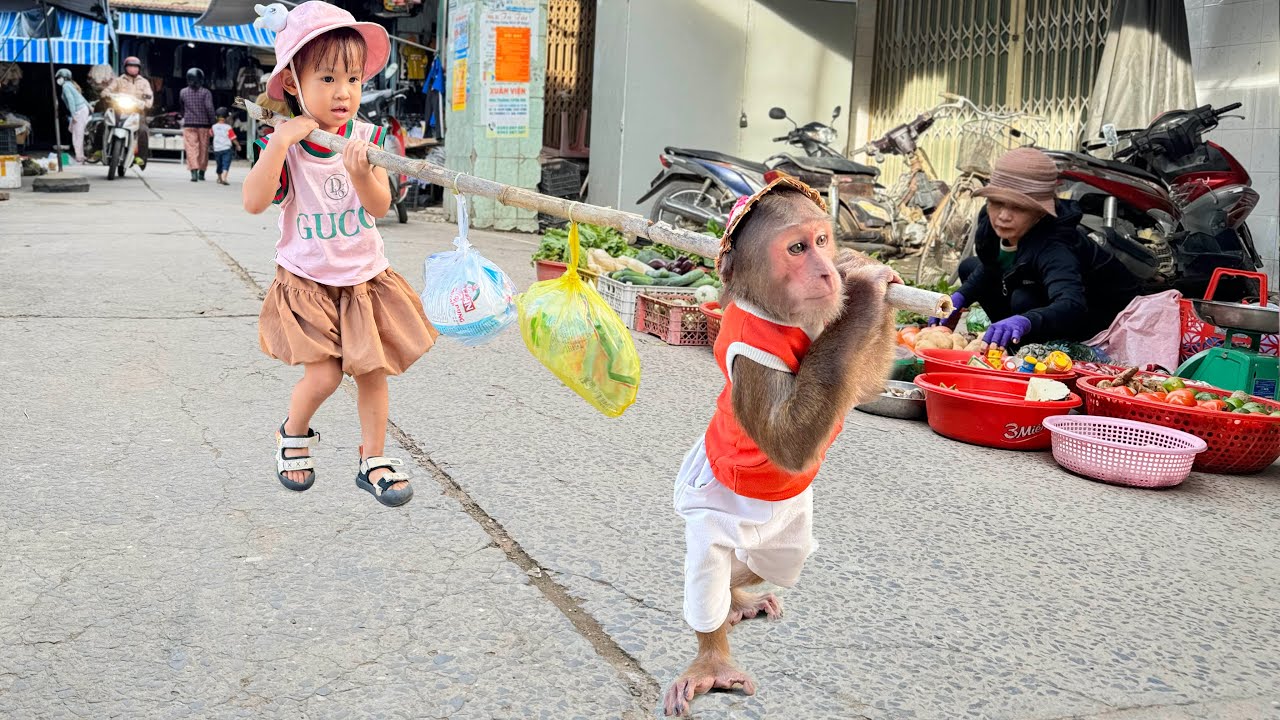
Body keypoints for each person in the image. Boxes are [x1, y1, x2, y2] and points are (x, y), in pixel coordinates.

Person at [242, 0, 437, 507]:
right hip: (308, 279)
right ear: (293, 84)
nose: (343, 92)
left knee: (373, 372)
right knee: (325, 373)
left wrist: (359, 173)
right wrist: (280, 144)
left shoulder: (365, 140)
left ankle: (373, 457)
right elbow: (254, 202)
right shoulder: (287, 142)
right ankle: (293, 433)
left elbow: (380, 205)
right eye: (327, 78)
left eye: (353, 79)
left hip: (363, 278)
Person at [932, 147, 1140, 351]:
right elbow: (991, 266)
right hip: (1038, 282)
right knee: (970, 267)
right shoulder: (992, 223)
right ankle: (1007, 337)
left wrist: (1026, 320)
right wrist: (959, 297)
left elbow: (1071, 304)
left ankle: (1028, 344)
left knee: (1023, 299)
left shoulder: (1056, 245)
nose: (1003, 216)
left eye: (1018, 207)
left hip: (1097, 313)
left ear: (1040, 211)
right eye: (997, 202)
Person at [104, 57, 153, 169]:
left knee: (143, 130)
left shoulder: (144, 82)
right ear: (125, 67)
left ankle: (140, 157)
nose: (133, 68)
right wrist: (106, 94)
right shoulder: (119, 80)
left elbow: (149, 96)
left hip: (136, 111)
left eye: (135, 66)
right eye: (130, 66)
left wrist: (146, 102)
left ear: (139, 69)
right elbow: (108, 89)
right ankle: (97, 149)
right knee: (103, 123)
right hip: (119, 110)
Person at [180, 68, 216, 182]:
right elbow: (209, 108)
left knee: (191, 148)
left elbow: (181, 107)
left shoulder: (183, 92)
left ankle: (193, 172)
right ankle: (201, 172)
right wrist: (213, 122)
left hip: (189, 124)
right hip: (204, 125)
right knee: (203, 149)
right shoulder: (206, 92)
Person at [55, 69, 90, 164]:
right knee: (73, 130)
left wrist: (73, 114)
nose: (58, 80)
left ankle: (79, 156)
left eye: (59, 78)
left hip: (79, 111)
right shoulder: (71, 85)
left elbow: (71, 101)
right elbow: (80, 97)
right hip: (82, 109)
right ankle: (81, 154)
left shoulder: (66, 86)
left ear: (64, 78)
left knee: (77, 135)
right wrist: (89, 106)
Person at [211, 108, 240, 185]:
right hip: (226, 149)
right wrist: (238, 145)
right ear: (227, 117)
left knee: (219, 164)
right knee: (226, 163)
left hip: (217, 149)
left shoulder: (213, 127)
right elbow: (233, 138)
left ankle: (220, 178)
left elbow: (211, 134)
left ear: (216, 117)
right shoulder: (228, 128)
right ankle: (224, 178)